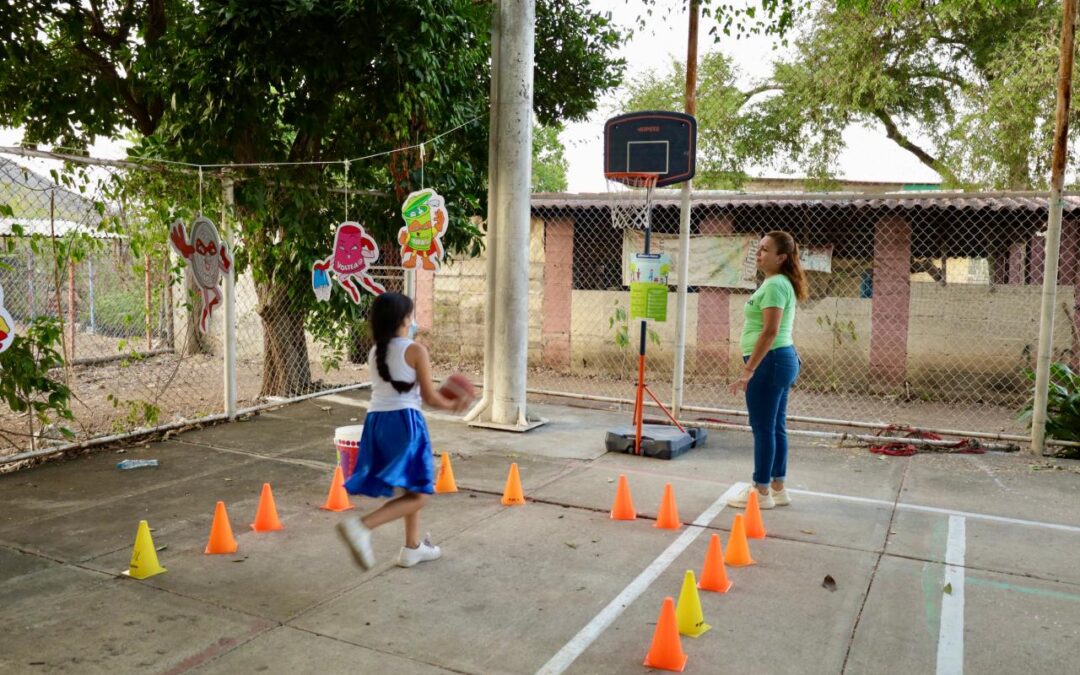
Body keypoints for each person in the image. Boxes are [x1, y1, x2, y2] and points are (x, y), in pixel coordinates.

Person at [337, 292, 472, 569]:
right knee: (420, 492)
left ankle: (412, 548)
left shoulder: (376, 351)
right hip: (404, 423)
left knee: (411, 486)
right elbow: (430, 398)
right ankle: (362, 527)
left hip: (376, 424)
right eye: (411, 316)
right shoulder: (415, 350)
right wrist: (455, 405)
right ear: (403, 320)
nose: (413, 321)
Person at [726, 230, 808, 510]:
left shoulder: (775, 285)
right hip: (778, 360)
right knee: (775, 427)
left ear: (781, 257)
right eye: (758, 249)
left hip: (770, 361)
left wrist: (748, 370)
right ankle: (777, 487)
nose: (758, 254)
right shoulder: (779, 282)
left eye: (764, 250)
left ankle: (760, 491)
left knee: (763, 428)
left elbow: (770, 331)